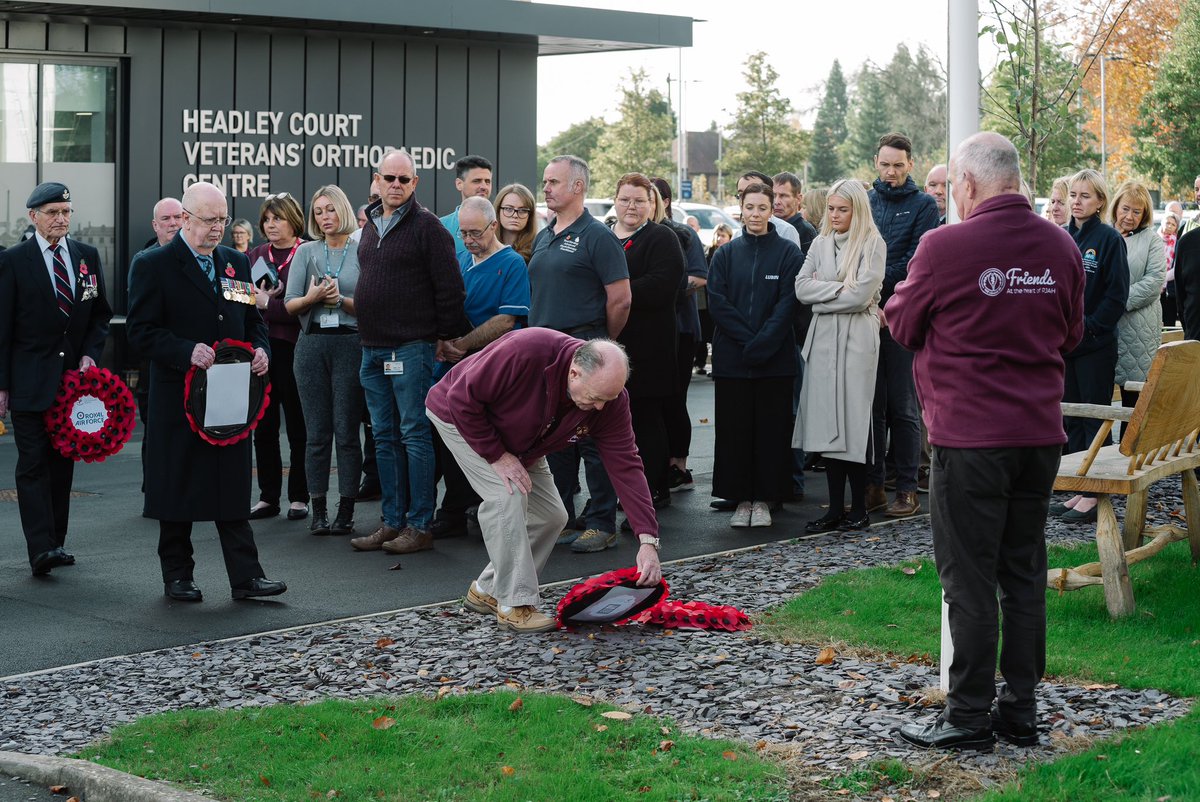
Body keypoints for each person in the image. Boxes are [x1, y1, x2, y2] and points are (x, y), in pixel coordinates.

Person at [889, 132, 1084, 751]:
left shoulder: (944, 246)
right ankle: (1019, 710)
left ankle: (968, 716)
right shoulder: (1061, 244)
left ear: (968, 185)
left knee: (968, 579)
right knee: (1023, 571)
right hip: (1037, 434)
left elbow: (902, 321)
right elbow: (1071, 333)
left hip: (971, 437)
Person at [426, 330, 662, 633]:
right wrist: (497, 455)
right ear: (574, 372)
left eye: (609, 398)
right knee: (505, 495)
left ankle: (487, 591)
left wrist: (647, 540)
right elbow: (461, 399)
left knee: (552, 515)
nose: (601, 407)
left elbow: (627, 465)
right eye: (595, 398)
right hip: (461, 417)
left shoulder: (609, 400)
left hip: (524, 440)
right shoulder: (527, 351)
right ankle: (515, 605)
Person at [126, 181, 286, 602]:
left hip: (229, 394)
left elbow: (253, 321)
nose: (218, 228)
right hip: (178, 393)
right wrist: (183, 350)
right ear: (186, 218)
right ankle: (178, 575)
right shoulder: (154, 264)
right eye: (210, 220)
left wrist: (261, 351)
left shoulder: (235, 261)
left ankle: (246, 577)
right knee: (176, 482)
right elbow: (140, 333)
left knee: (230, 483)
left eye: (224, 219)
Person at [349, 149, 467, 556]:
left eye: (404, 179)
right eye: (389, 178)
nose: (396, 185)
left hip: (411, 348)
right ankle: (392, 521)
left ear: (415, 183)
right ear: (376, 180)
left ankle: (419, 524)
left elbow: (451, 290)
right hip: (372, 349)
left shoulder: (429, 228)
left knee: (414, 434)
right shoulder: (369, 225)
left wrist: (441, 335)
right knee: (383, 436)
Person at [0, 182, 112, 576]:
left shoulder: (86, 257)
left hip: (72, 387)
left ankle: (56, 542)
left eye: (66, 211)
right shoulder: (14, 261)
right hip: (29, 381)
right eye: (52, 212)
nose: (61, 219)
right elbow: (3, 326)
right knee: (32, 465)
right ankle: (40, 548)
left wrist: (89, 354)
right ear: (34, 217)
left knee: (62, 464)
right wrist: (2, 384)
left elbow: (100, 315)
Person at [527, 155, 631, 553]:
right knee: (557, 436)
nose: (547, 187)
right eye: (546, 181)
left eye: (554, 181)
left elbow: (620, 300)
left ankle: (602, 521)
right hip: (549, 353)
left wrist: (599, 342)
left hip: (585, 347)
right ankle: (566, 517)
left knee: (592, 439)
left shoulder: (597, 237)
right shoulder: (544, 235)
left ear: (578, 187)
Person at [431, 196, 530, 539]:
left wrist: (461, 344)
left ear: (493, 226)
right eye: (464, 233)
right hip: (451, 365)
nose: (469, 239)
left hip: (490, 367)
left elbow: (505, 320)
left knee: (481, 438)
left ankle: (466, 508)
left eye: (475, 232)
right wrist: (442, 340)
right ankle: (453, 508)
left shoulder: (512, 263)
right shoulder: (460, 260)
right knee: (447, 439)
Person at [706, 182, 802, 528]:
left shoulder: (789, 254)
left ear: (771, 210)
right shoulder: (725, 254)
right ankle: (741, 498)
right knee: (735, 432)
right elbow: (718, 301)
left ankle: (764, 499)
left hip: (774, 360)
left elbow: (787, 304)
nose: (756, 214)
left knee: (771, 431)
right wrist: (749, 341)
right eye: (750, 207)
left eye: (763, 208)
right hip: (734, 360)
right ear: (741, 210)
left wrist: (762, 343)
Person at [794, 178, 885, 533]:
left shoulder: (872, 243)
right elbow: (801, 287)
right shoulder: (820, 242)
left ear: (857, 209)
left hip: (857, 338)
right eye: (831, 208)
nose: (834, 215)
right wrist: (839, 289)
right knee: (825, 422)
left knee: (853, 421)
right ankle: (834, 508)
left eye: (842, 209)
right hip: (824, 339)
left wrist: (824, 293)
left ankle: (859, 508)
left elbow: (861, 296)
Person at [284, 185, 363, 537]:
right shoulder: (306, 251)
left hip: (350, 343)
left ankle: (345, 510)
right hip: (312, 343)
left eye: (330, 210)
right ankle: (318, 509)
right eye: (318, 212)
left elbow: (369, 306)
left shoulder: (363, 249)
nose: (324, 217)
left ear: (342, 210)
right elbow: (289, 304)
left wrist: (340, 299)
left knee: (347, 432)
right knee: (316, 434)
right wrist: (314, 296)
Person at [868, 132, 940, 518]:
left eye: (898, 164)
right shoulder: (865, 201)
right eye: (885, 164)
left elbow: (916, 262)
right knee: (872, 407)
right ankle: (876, 485)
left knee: (904, 407)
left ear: (911, 164)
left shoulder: (924, 205)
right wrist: (868, 289)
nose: (891, 171)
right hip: (865, 315)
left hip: (904, 317)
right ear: (875, 163)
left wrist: (873, 279)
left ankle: (907, 488)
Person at [1054, 169, 1130, 524]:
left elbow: (1116, 295)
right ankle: (1078, 487)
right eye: (1073, 195)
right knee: (1070, 416)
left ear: (1100, 201)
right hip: (1064, 344)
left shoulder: (1109, 239)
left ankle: (1094, 492)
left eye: (1085, 196)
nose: (1077, 202)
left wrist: (1091, 329)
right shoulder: (1063, 236)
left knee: (1093, 416)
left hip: (1095, 345)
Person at [609, 175, 685, 513]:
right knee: (613, 424)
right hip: (611, 345)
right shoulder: (605, 236)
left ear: (652, 204)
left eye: (640, 200)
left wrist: (617, 291)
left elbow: (663, 285)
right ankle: (620, 492)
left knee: (646, 420)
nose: (632, 206)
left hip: (649, 347)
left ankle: (654, 489)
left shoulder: (662, 238)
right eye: (626, 199)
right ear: (615, 200)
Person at [246, 193, 309, 522]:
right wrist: (255, 299)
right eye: (267, 219)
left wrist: (267, 304)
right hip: (262, 350)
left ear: (293, 220)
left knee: (299, 428)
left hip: (297, 349)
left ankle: (299, 496)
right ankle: (268, 496)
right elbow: (239, 296)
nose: (271, 224)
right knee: (265, 427)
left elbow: (305, 309)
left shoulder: (307, 253)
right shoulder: (255, 255)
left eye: (278, 218)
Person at [649, 176, 706, 494]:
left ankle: (679, 467)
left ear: (665, 201)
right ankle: (656, 466)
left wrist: (664, 286)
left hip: (681, 329)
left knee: (674, 399)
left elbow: (700, 276)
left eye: (649, 197)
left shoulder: (683, 234)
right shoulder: (630, 234)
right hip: (648, 330)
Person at [1109, 181, 1166, 421]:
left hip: (1137, 331)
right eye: (1125, 209)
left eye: (1136, 211)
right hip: (1106, 329)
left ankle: (1129, 451)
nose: (1129, 216)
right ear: (1116, 207)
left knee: (1133, 403)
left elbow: (1154, 281)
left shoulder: (1152, 240)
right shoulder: (1105, 234)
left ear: (1144, 214)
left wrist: (1114, 302)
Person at [694, 223, 732, 376]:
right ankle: (700, 363)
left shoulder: (732, 253)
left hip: (724, 300)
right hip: (706, 302)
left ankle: (718, 367)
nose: (719, 238)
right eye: (717, 235)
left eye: (723, 235)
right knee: (703, 335)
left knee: (718, 336)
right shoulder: (708, 253)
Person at [440, 155, 493, 259]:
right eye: (477, 181)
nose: (484, 186)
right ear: (459, 184)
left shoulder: (501, 224)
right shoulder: (441, 227)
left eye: (487, 181)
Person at [731, 171, 801, 247]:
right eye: (741, 194)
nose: (747, 198)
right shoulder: (737, 236)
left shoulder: (786, 231)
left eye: (754, 190)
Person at [772, 172, 818, 255]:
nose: (776, 202)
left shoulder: (805, 232)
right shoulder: (767, 226)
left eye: (783, 196)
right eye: (773, 195)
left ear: (798, 198)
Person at [493, 183, 538, 263]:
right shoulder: (486, 247)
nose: (515, 215)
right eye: (508, 209)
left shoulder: (537, 251)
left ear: (530, 216)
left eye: (522, 210)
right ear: (498, 211)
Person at [1161, 207, 1181, 327]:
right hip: (1154, 288)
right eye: (1167, 222)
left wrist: (1161, 279)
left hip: (1169, 291)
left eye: (1173, 224)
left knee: (1169, 323)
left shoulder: (1178, 243)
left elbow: (1177, 268)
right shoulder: (1154, 240)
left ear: (1176, 228)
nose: (1169, 226)